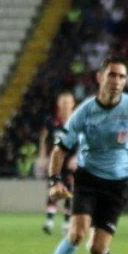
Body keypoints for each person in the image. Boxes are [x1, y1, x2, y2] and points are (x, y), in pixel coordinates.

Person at [38, 56, 128, 254]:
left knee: (96, 249)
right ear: (100, 78)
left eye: (122, 76)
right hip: (88, 178)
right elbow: (60, 149)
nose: (117, 81)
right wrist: (54, 181)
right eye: (112, 75)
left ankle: (102, 252)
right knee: (76, 233)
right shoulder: (84, 111)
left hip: (119, 183)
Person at [39, 90, 76, 235]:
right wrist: (42, 156)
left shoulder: (77, 121)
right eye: (63, 102)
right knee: (53, 190)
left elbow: (85, 141)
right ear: (59, 104)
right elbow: (44, 139)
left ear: (73, 104)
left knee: (69, 192)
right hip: (55, 162)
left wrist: (77, 157)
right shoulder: (51, 121)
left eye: (68, 102)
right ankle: (49, 222)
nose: (66, 105)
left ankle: (67, 224)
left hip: (70, 163)